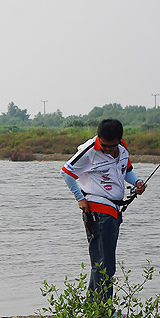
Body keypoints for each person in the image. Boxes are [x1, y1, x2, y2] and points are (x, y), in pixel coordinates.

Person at [61, 118, 146, 302]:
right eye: (105, 146)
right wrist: (80, 198)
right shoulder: (89, 150)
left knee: (104, 262)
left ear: (119, 140)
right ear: (99, 138)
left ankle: (95, 307)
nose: (108, 150)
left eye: (112, 146)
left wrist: (137, 182)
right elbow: (66, 172)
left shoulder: (122, 148)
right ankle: (102, 308)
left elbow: (127, 171)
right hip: (98, 211)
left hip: (115, 210)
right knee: (103, 263)